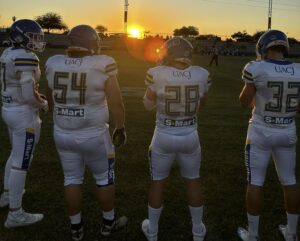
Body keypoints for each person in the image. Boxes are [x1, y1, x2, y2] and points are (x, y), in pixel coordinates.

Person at [45, 25, 127, 241]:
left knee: (71, 178)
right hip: (94, 134)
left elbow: (50, 95)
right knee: (104, 179)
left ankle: (76, 228)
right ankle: (109, 223)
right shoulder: (102, 63)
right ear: (92, 43)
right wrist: (121, 126)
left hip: (62, 133)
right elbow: (116, 101)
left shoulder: (53, 62)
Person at [141, 37, 211, 241]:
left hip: (163, 134)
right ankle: (198, 231)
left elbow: (147, 104)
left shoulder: (157, 74)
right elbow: (203, 102)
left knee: (157, 183)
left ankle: (152, 231)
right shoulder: (201, 74)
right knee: (193, 181)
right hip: (190, 134)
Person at [237, 30, 300, 241]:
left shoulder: (256, 68)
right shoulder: (299, 70)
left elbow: (244, 101)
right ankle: (291, 233)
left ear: (263, 47)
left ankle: (253, 234)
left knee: (255, 181)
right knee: (289, 180)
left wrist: (261, 105)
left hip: (261, 131)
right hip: (288, 131)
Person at [0, 19, 48, 227]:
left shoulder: (8, 53)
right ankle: (15, 214)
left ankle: (7, 194)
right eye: (34, 36)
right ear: (21, 36)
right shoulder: (25, 56)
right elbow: (28, 94)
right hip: (23, 113)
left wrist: (35, 96)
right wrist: (42, 103)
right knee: (21, 162)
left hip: (9, 109)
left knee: (14, 154)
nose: (37, 41)